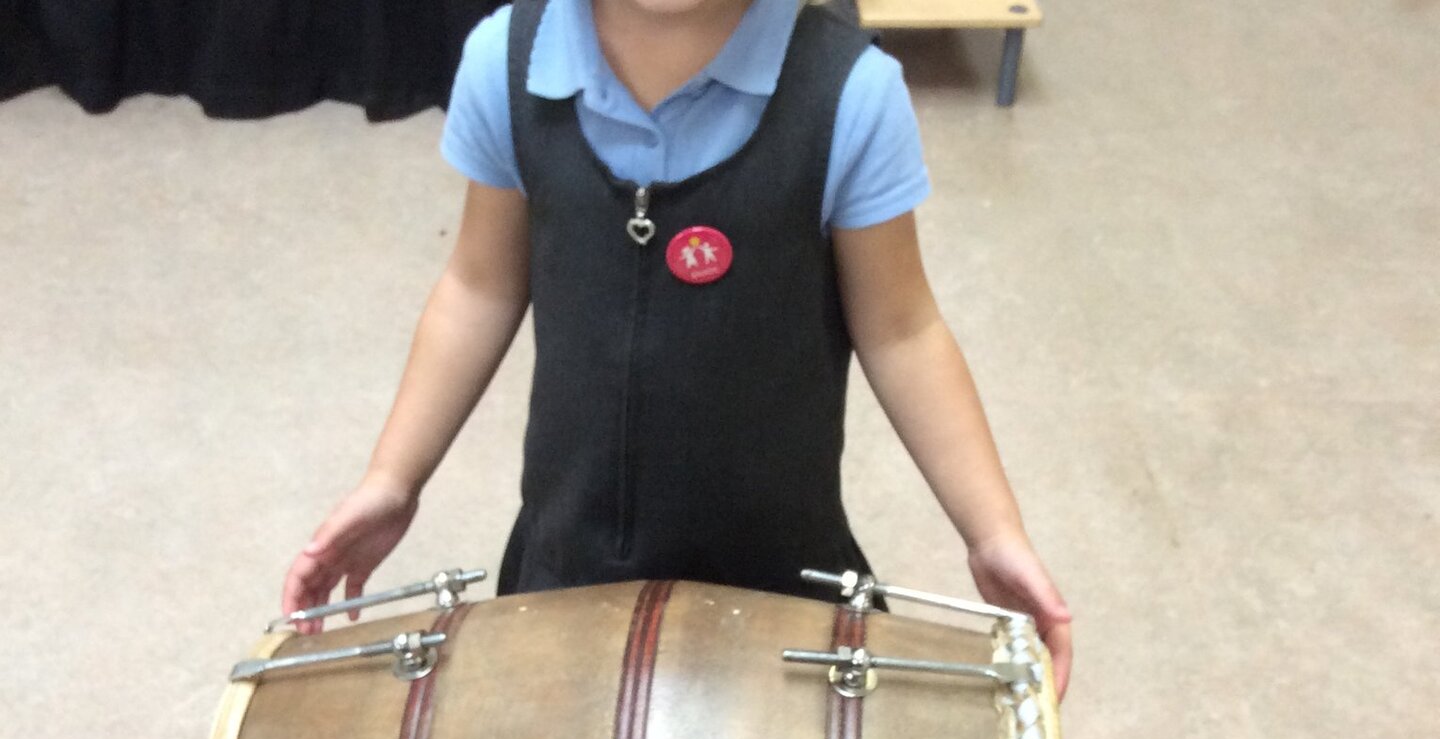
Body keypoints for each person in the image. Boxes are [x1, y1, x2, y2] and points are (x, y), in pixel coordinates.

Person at [281, 0, 1073, 696]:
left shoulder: (852, 93)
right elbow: (478, 288)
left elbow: (903, 332)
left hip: (782, 582)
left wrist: (993, 531)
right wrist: (393, 477)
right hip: (564, 572)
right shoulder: (507, 61)